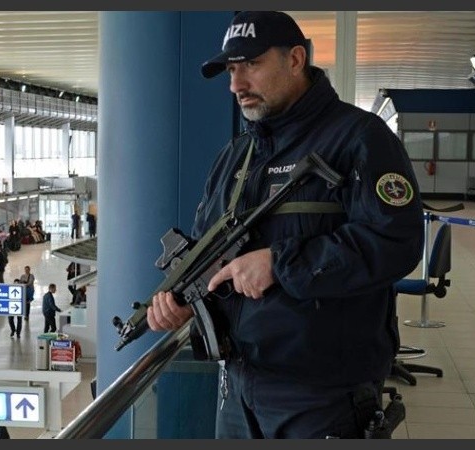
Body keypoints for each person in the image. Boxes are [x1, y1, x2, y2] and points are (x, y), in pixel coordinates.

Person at [145, 11, 424, 439]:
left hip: (322, 394)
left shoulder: (360, 139)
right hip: (239, 387)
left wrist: (280, 263)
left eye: (251, 66)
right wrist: (183, 299)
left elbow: (395, 241)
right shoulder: (235, 155)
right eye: (232, 70)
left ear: (295, 59)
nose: (236, 85)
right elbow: (212, 252)